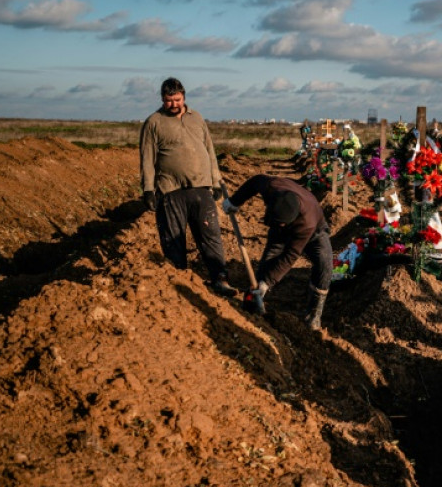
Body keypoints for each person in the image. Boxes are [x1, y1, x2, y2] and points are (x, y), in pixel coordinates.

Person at [139, 77, 236, 296]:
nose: (173, 104)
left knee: (210, 236)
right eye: (168, 100)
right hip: (170, 191)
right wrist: (147, 189)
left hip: (202, 189)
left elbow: (209, 150)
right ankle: (178, 281)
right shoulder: (154, 122)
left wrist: (216, 180)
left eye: (177, 99)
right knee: (173, 240)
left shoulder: (197, 118)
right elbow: (146, 158)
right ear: (162, 99)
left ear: (184, 97)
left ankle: (220, 279)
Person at [221, 175, 332, 330]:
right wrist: (234, 201)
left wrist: (269, 282)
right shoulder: (272, 187)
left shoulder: (306, 224)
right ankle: (253, 300)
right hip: (282, 216)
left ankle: (313, 316)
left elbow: (290, 255)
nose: (279, 226)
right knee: (271, 255)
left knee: (324, 264)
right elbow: (254, 182)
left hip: (315, 231)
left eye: (281, 224)